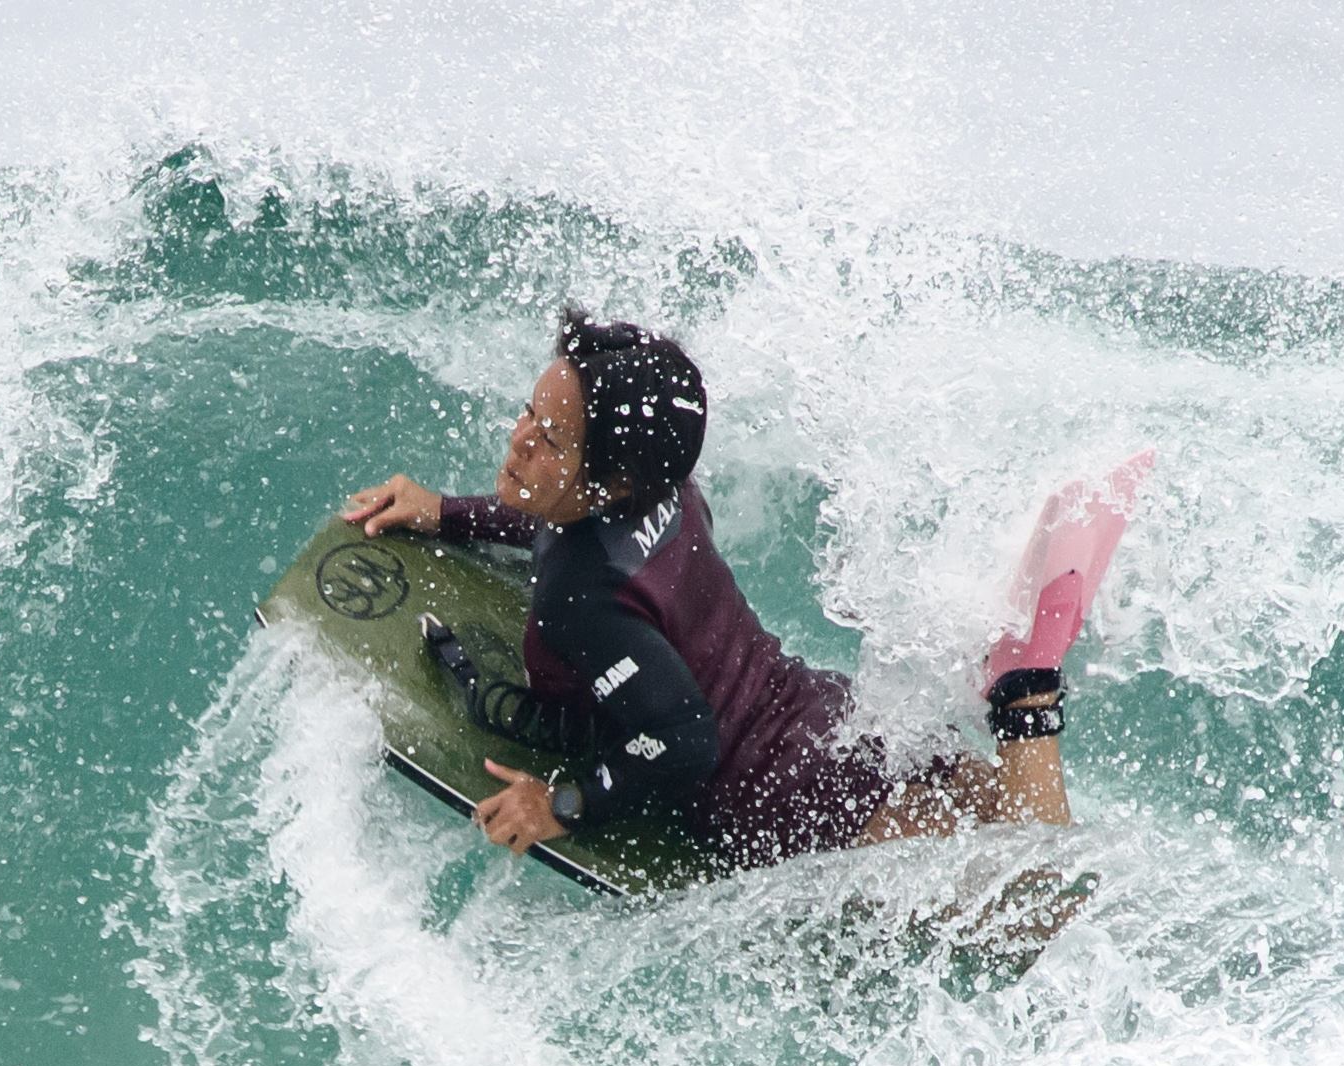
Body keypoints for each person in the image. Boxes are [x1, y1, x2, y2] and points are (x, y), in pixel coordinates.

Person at [342, 310, 1135, 870]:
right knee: (1020, 831)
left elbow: (684, 740)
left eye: (549, 437)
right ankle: (1018, 684)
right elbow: (563, 524)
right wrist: (449, 512)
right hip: (826, 716)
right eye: (528, 413)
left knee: (1034, 908)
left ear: (611, 478)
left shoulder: (578, 602)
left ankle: (1026, 690)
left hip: (784, 805)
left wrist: (565, 804)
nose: (519, 438)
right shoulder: (665, 486)